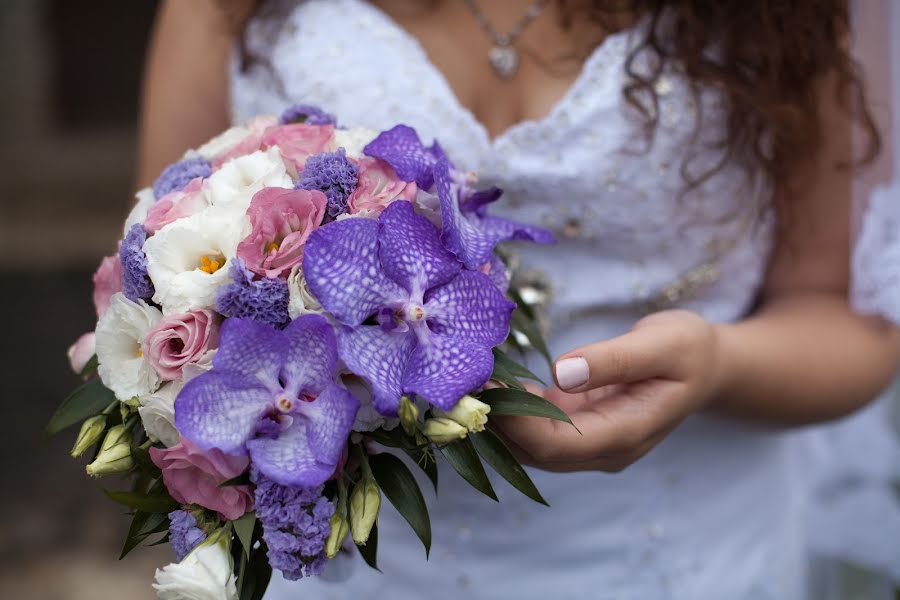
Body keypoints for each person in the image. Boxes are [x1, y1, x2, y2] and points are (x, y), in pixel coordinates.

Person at [137, 1, 900, 598]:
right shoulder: (227, 5)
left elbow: (844, 315)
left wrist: (719, 365)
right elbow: (163, 281)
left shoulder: (784, 17)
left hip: (685, 552)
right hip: (361, 566)